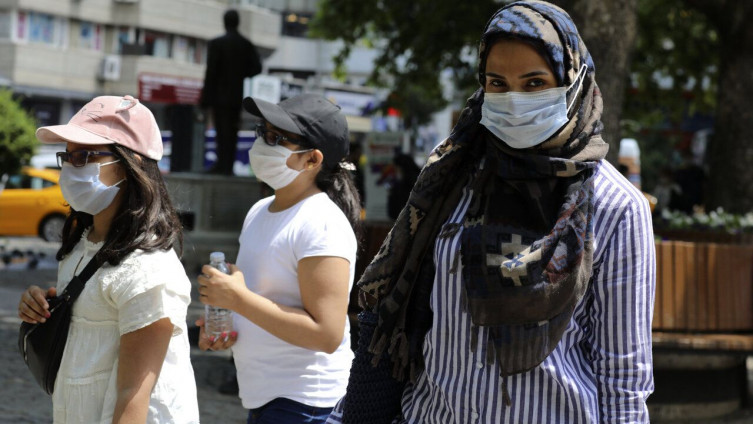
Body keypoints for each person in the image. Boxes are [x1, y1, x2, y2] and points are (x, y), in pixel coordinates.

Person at [327, 1, 656, 423]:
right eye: (497, 83)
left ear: (572, 83)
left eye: (535, 83)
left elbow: (622, 379)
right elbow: (401, 313)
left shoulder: (614, 207)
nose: (514, 100)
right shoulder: (451, 176)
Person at [17, 95, 199, 423]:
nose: (71, 168)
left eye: (85, 155)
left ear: (130, 165)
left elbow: (134, 396)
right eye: (68, 156)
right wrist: (45, 304)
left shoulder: (149, 269)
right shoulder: (82, 244)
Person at [196, 93, 361, 423]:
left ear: (312, 160)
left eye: (276, 138)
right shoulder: (259, 211)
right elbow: (261, 301)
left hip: (308, 405)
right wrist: (226, 323)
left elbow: (326, 334)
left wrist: (239, 301)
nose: (262, 145)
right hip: (266, 400)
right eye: (262, 132)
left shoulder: (321, 221)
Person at [200, 9, 262, 175]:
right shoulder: (245, 44)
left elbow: (211, 73)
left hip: (219, 96)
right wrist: (241, 73)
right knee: (232, 131)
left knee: (222, 131)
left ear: (225, 22)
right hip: (235, 96)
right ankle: (227, 165)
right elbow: (257, 67)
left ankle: (222, 165)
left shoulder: (217, 43)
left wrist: (205, 98)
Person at [386, 153, 421, 220]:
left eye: (396, 168)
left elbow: (393, 212)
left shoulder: (403, 184)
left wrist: (391, 194)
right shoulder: (419, 179)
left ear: (401, 168)